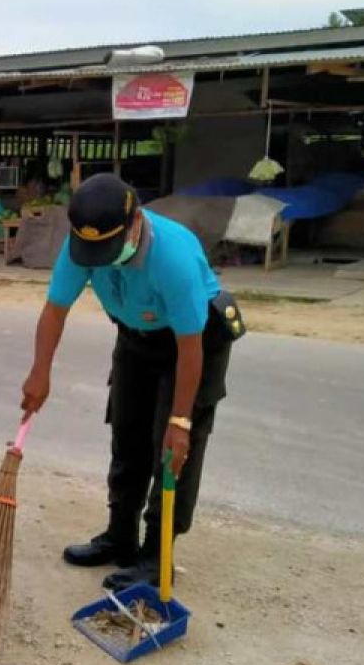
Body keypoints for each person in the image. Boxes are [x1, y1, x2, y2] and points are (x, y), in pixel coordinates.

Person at [20, 173, 242, 590]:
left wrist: (181, 421)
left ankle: (157, 556)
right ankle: (120, 536)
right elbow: (55, 310)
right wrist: (40, 372)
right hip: (136, 338)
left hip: (192, 345)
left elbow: (190, 346)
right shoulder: (81, 248)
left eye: (106, 248)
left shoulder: (173, 257)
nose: (99, 259)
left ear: (136, 221)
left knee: (171, 449)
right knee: (128, 434)